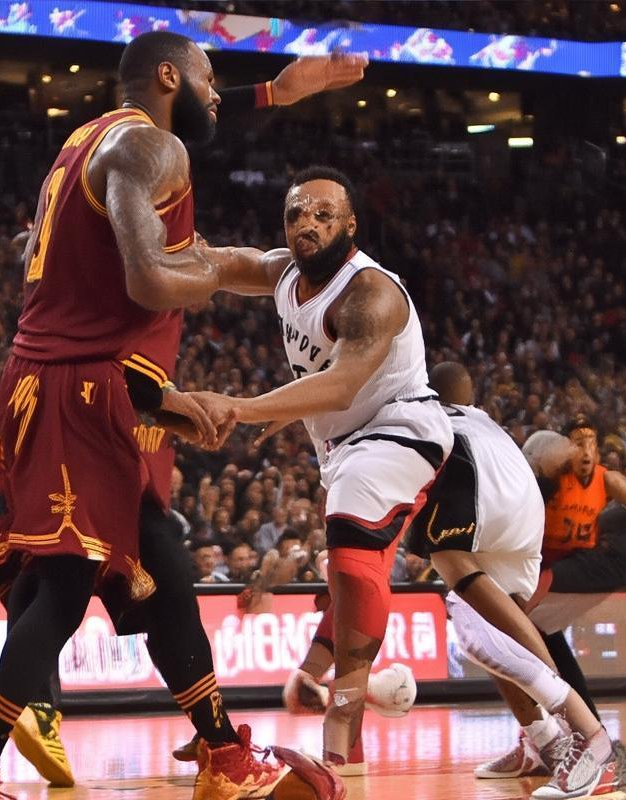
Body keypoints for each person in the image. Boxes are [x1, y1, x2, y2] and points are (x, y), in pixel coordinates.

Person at [0, 32, 350, 800]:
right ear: (170, 76)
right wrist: (207, 278)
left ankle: (220, 749)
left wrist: (277, 94)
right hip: (84, 388)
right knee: (65, 589)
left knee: (161, 569)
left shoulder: (89, 140)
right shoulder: (153, 150)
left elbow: (163, 246)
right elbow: (148, 282)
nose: (217, 94)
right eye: (209, 78)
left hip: (63, 381)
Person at [193, 166, 453, 775]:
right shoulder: (285, 272)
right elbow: (222, 264)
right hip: (344, 445)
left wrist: (244, 407)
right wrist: (167, 248)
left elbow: (341, 385)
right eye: (295, 214)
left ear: (350, 225)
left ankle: (342, 708)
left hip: (400, 427)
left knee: (351, 555)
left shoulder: (371, 292)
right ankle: (328, 715)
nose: (306, 223)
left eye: (322, 214)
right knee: (348, 568)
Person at [401, 363, 626, 798]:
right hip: (523, 517)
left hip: (490, 507)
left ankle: (585, 739)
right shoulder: (487, 422)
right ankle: (543, 742)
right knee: (496, 633)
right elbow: (546, 452)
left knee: (471, 621)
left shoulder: (432, 418)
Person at [480, 412, 626, 780]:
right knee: (536, 645)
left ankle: (550, 740)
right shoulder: (549, 477)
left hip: (571, 570)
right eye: (578, 444)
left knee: (510, 630)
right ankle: (568, 735)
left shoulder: (608, 480)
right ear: (563, 449)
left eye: (592, 443)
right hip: (534, 567)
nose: (586, 451)